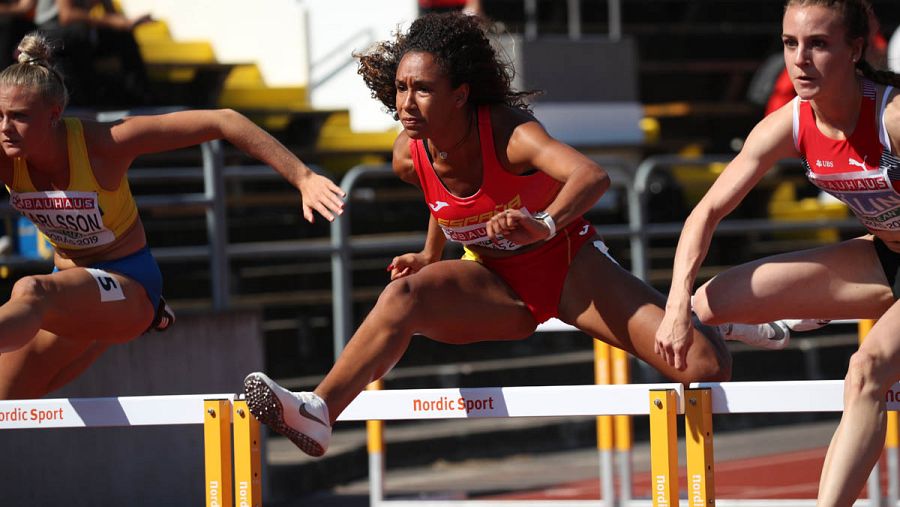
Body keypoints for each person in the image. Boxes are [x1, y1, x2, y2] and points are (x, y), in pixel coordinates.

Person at [242, 11, 733, 459]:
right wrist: (430, 253)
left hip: (569, 266)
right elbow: (442, 199)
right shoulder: (407, 155)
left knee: (706, 365)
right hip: (495, 283)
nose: (406, 104)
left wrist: (542, 223)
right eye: (401, 88)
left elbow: (592, 176)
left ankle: (715, 317)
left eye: (423, 89)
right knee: (402, 297)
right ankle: (319, 409)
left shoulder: (511, 135)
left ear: (460, 95)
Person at [0, 32, 346, 399]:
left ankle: (149, 314)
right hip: (70, 291)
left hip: (128, 284)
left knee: (29, 289)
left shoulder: (105, 143)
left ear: (54, 115)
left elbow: (225, 120)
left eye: (19, 117)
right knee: (9, 395)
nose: (5, 128)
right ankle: (102, 334)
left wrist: (303, 177)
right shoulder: (6, 155)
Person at [656, 1, 900, 504]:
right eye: (791, 43)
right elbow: (704, 214)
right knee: (703, 305)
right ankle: (779, 327)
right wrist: (676, 305)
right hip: (884, 258)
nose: (800, 59)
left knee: (866, 369)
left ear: (855, 50)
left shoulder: (891, 118)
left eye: (818, 44)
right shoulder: (786, 125)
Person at [34, 0, 153, 107]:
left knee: (123, 37)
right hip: (53, 29)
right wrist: (111, 21)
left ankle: (141, 97)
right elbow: (67, 15)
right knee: (80, 34)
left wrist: (129, 22)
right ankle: (85, 97)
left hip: (83, 26)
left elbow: (113, 16)